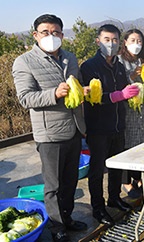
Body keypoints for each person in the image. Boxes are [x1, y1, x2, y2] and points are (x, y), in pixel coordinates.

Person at [12, 14, 87, 242]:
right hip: (50, 134)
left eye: (56, 32)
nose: (51, 36)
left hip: (74, 129)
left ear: (62, 35)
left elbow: (77, 86)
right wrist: (54, 93)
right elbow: (25, 98)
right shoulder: (24, 62)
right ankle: (57, 228)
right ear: (35, 35)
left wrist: (82, 91)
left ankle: (67, 218)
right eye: (45, 32)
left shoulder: (69, 58)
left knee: (70, 181)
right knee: (53, 185)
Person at [80, 24, 139, 225]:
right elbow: (89, 97)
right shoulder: (89, 67)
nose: (111, 44)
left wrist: (132, 93)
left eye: (114, 40)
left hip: (117, 125)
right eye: (107, 39)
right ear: (98, 41)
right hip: (98, 127)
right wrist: (115, 96)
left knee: (116, 167)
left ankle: (114, 198)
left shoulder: (120, 67)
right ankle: (98, 207)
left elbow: (123, 92)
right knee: (97, 170)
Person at [118, 29, 144, 198]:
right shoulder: (119, 61)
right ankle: (126, 182)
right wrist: (131, 76)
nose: (136, 44)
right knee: (127, 146)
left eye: (139, 41)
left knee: (142, 145)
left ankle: (139, 177)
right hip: (128, 110)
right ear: (124, 42)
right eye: (132, 40)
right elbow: (118, 85)